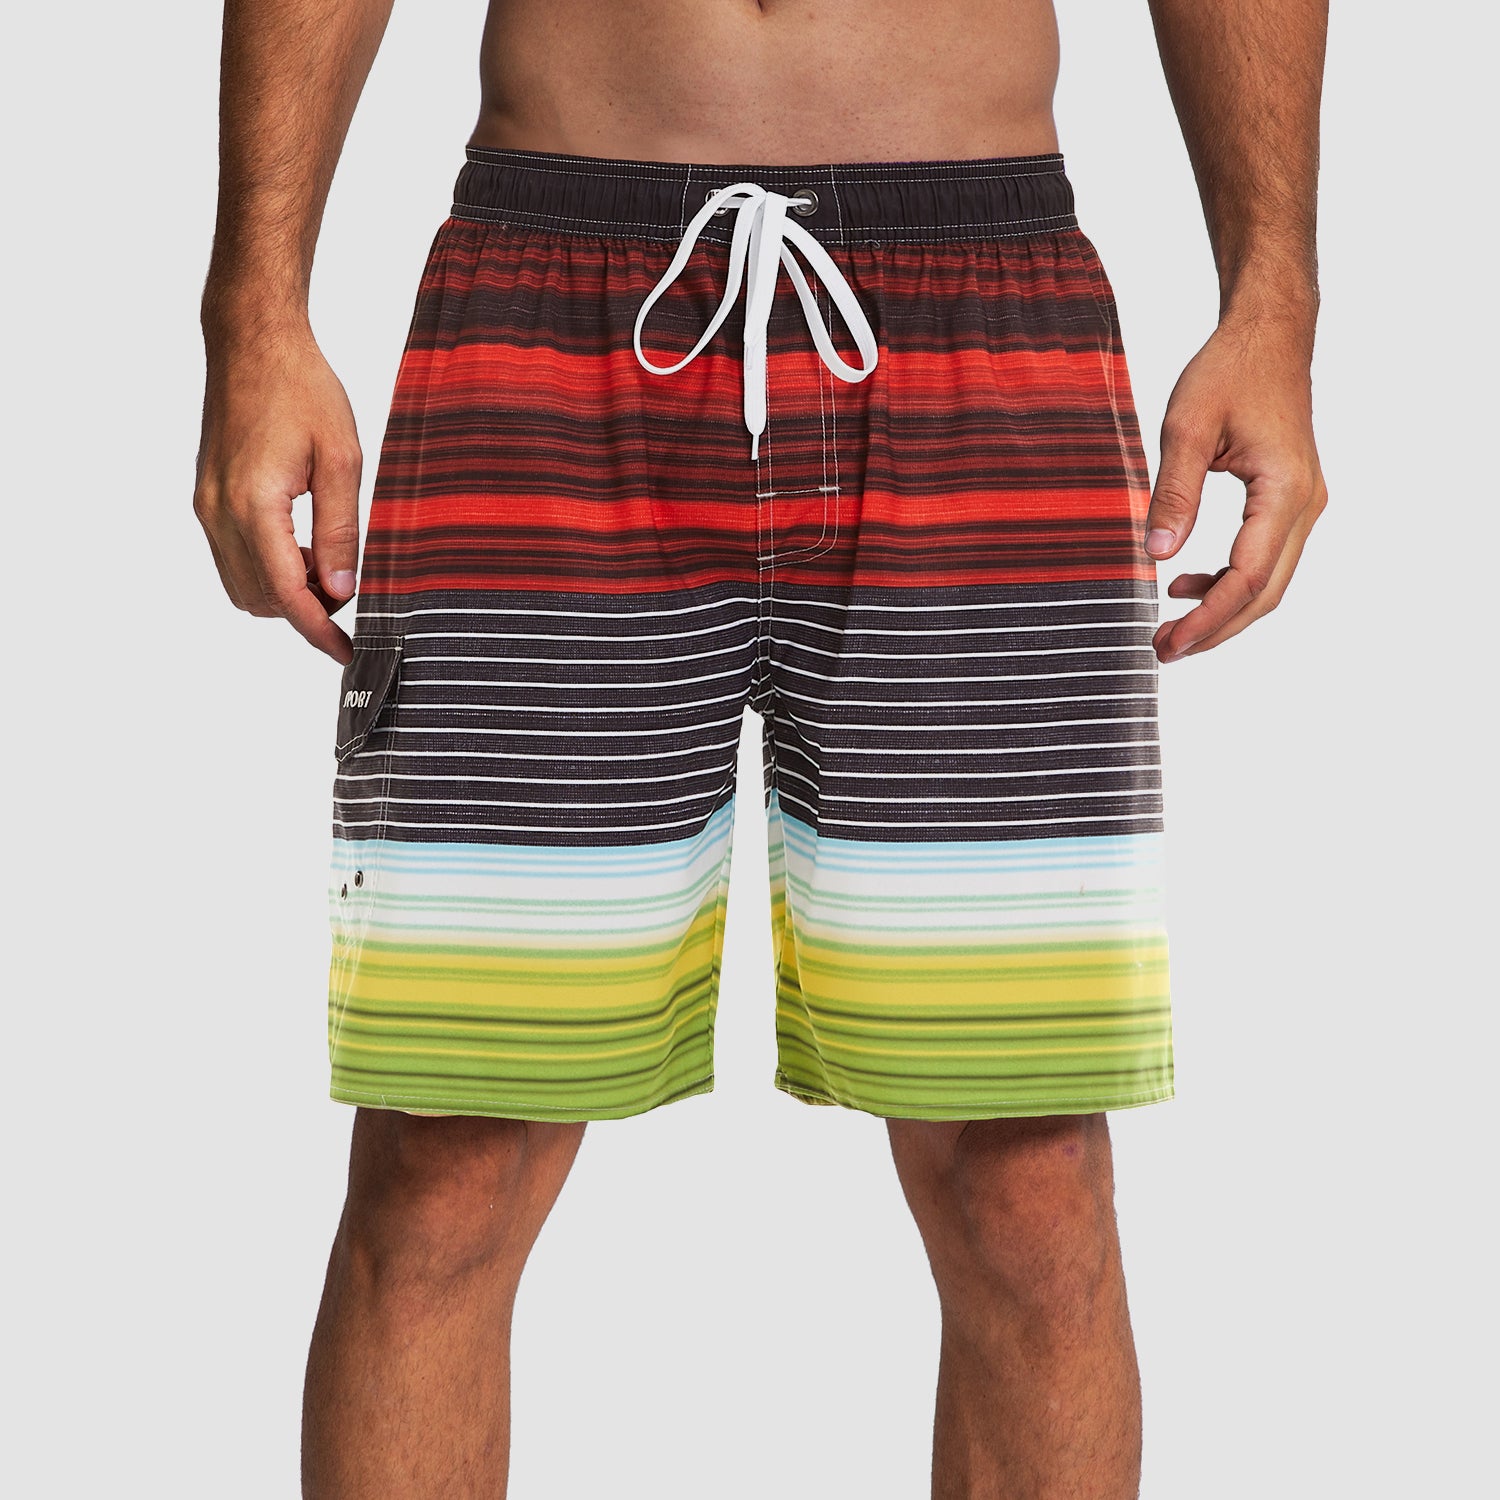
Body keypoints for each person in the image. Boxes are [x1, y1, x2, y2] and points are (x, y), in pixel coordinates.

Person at [193, 0, 1328, 1493]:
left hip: (981, 310)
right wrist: (254, 313)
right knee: (444, 1157)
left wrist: (1274, 301)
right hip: (551, 299)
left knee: (1029, 1181)